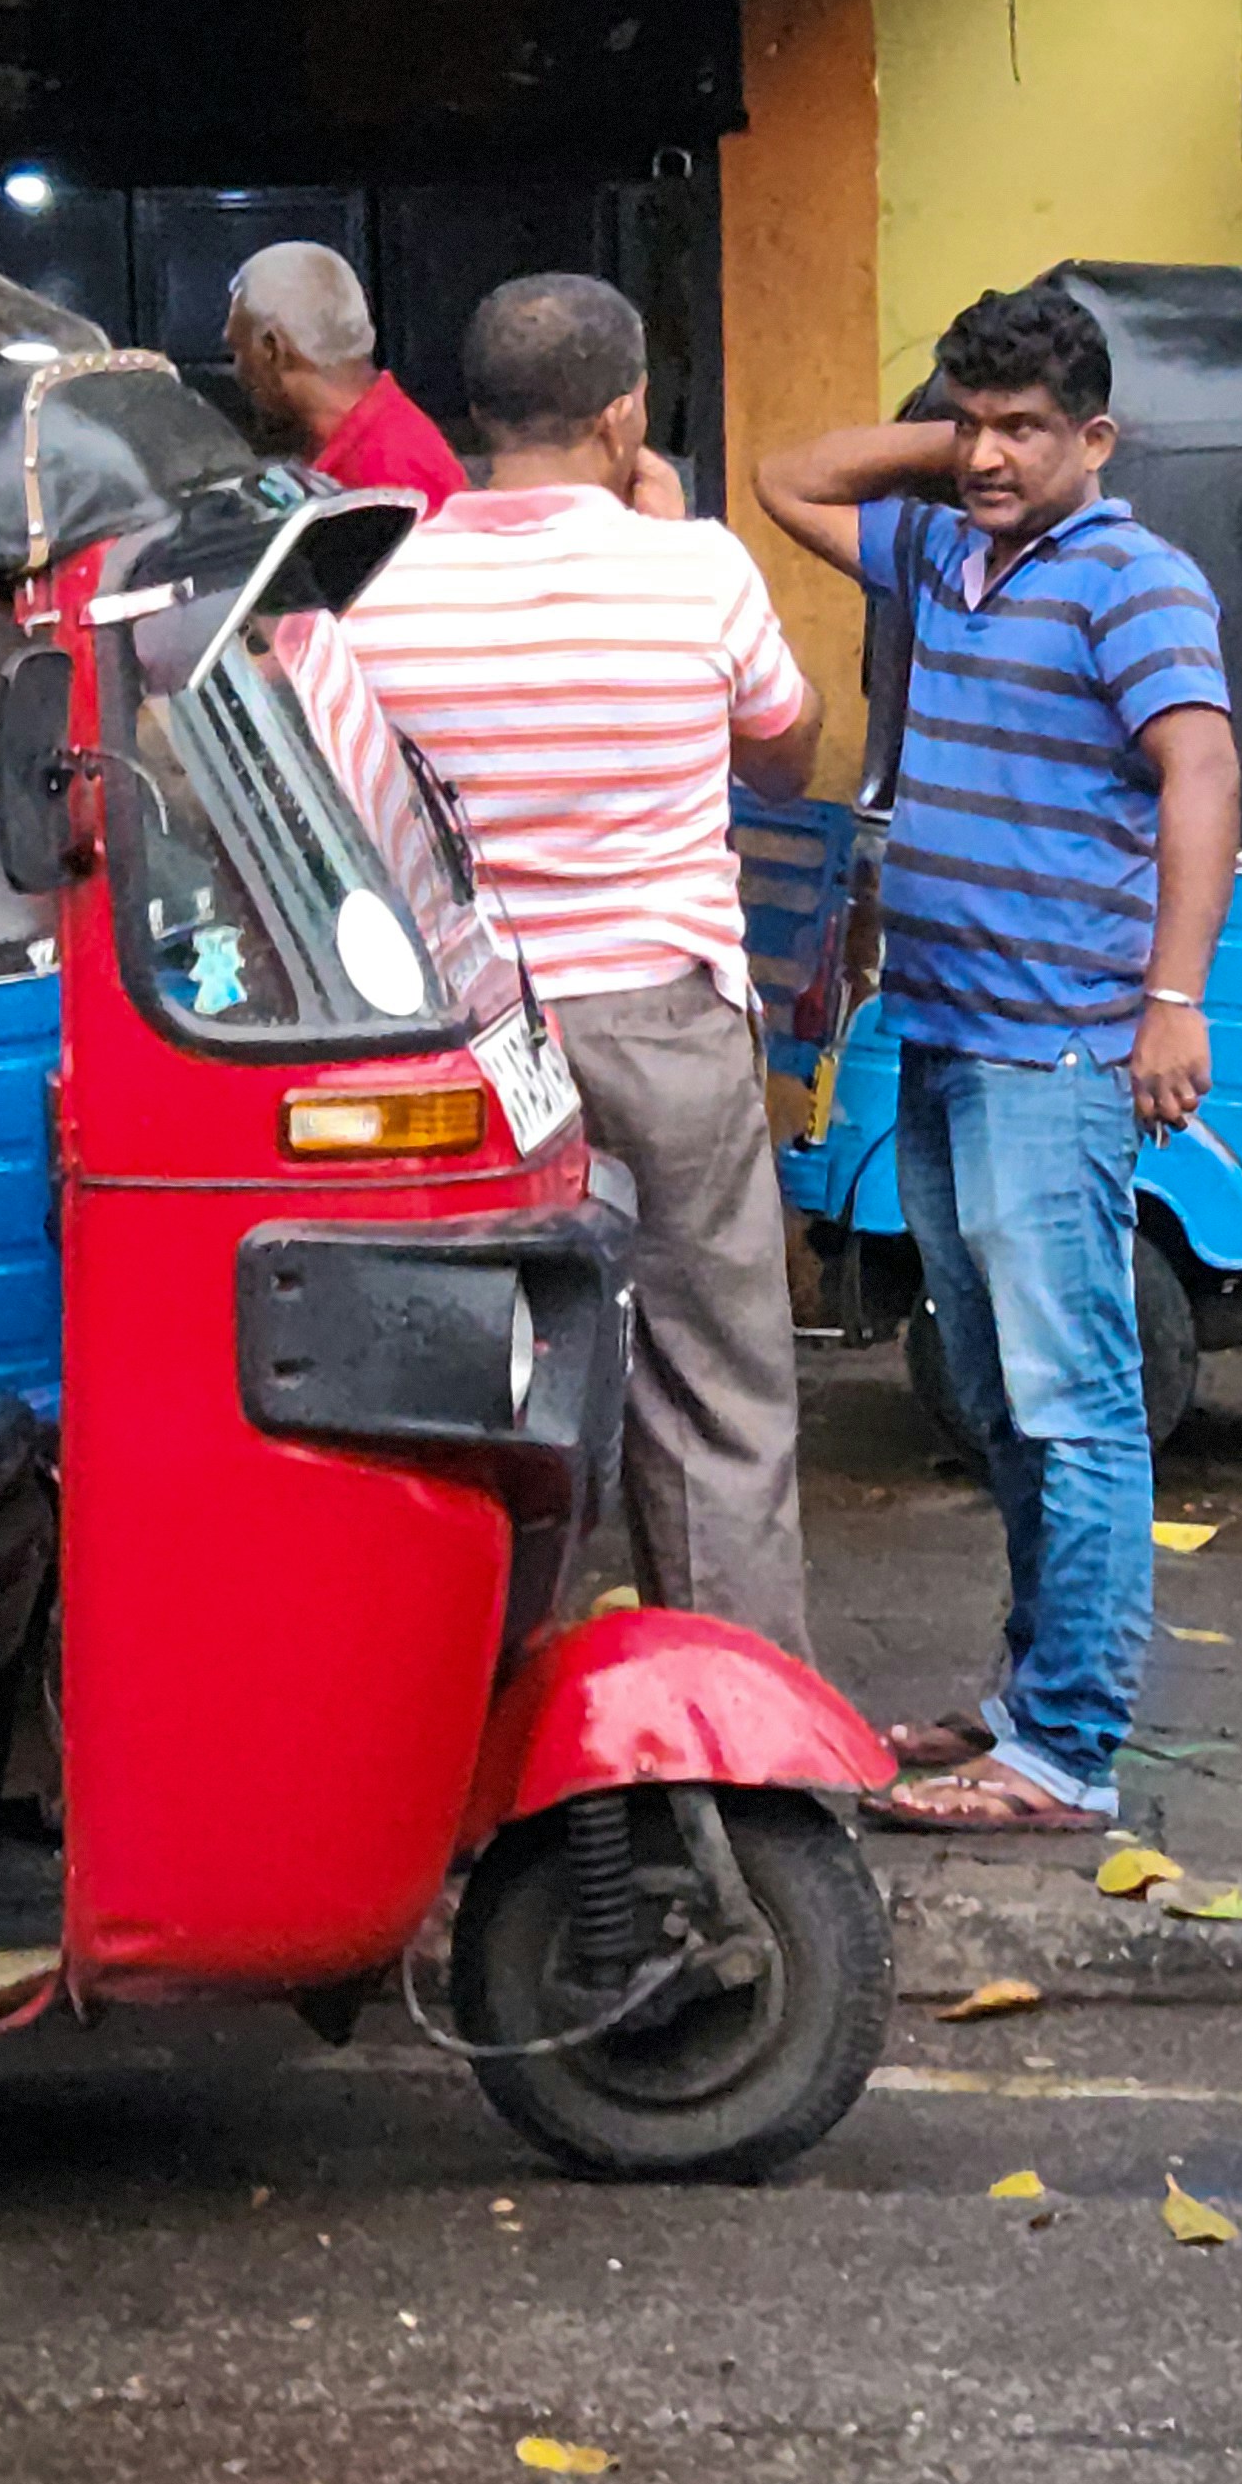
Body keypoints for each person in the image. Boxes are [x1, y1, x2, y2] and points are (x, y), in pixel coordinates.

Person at [755, 280, 1236, 1834]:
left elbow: (1200, 771)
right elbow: (786, 478)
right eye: (969, 421)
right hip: (943, 1038)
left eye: (1025, 428)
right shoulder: (941, 552)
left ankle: (1068, 1752)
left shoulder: (1130, 579)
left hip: (1055, 1054)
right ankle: (1027, 1703)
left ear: (1098, 437)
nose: (983, 453)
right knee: (995, 1396)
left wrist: (1177, 996)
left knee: (1070, 1400)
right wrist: (956, 450)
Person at [329, 275, 818, 1651]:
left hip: (461, 1042)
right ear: (623, 416)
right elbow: (788, 745)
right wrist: (664, 544)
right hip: (662, 1021)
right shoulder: (697, 567)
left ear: (471, 415)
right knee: (711, 1390)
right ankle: (741, 1755)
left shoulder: (374, 587)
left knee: (467, 1392)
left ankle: (474, 1747)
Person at [223, 242, 465, 506]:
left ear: (273, 349)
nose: (237, 370)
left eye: (238, 350)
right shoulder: (346, 443)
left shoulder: (395, 473)